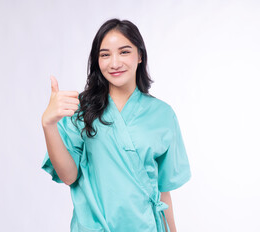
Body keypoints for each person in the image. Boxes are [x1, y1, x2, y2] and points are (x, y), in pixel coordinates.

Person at [41, 18, 191, 232]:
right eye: (105, 55)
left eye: (124, 52)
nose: (114, 63)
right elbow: (68, 176)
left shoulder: (163, 115)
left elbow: (163, 191)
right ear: (97, 60)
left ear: (140, 55)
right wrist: (49, 125)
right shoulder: (80, 109)